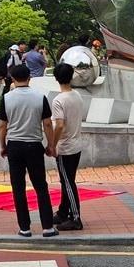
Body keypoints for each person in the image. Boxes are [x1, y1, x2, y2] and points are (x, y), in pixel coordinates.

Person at [0, 63, 58, 238]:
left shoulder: (7, 98)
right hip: (34, 145)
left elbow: (2, 126)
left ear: (13, 79)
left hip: (15, 145)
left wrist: (3, 146)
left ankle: (25, 227)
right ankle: (47, 226)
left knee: (18, 187)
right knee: (40, 186)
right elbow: (47, 123)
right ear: (29, 78)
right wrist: (51, 145)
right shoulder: (40, 97)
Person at [51, 62, 86, 230]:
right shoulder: (77, 95)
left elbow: (59, 125)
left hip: (65, 147)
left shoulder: (59, 100)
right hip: (76, 144)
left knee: (68, 182)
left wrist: (52, 144)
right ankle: (63, 212)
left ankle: (75, 217)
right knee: (67, 179)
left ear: (56, 78)